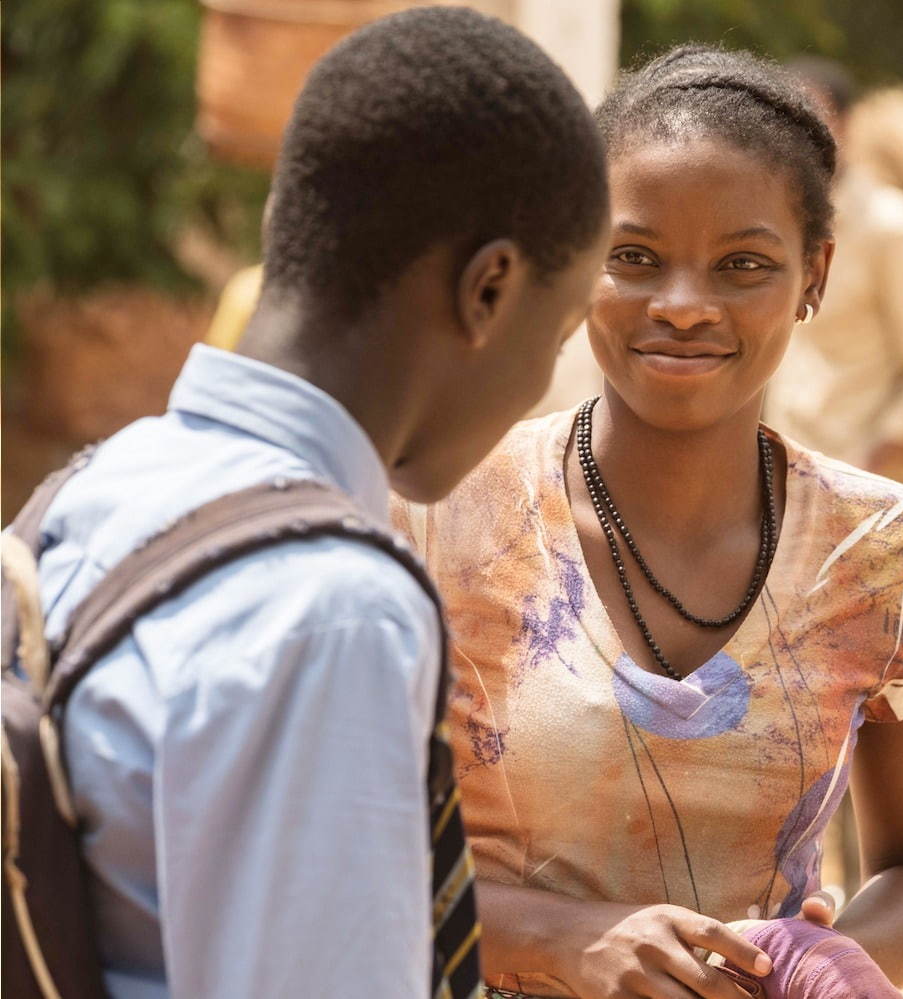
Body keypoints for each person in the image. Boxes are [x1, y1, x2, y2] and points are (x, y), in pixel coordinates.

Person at [29, 9, 608, 996]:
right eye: (555, 342)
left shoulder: (101, 487)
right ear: (489, 290)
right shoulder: (332, 610)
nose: (537, 393)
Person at [393, 46, 903, 999]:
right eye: (634, 257)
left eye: (743, 264)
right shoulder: (444, 515)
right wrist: (565, 938)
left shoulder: (885, 553)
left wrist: (810, 965)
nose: (683, 306)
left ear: (813, 275)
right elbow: (337, 845)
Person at [767, 58, 903, 540]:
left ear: (844, 125)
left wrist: (864, 481)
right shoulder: (778, 233)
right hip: (800, 509)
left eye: (812, 119)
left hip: (884, 518)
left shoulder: (894, 229)